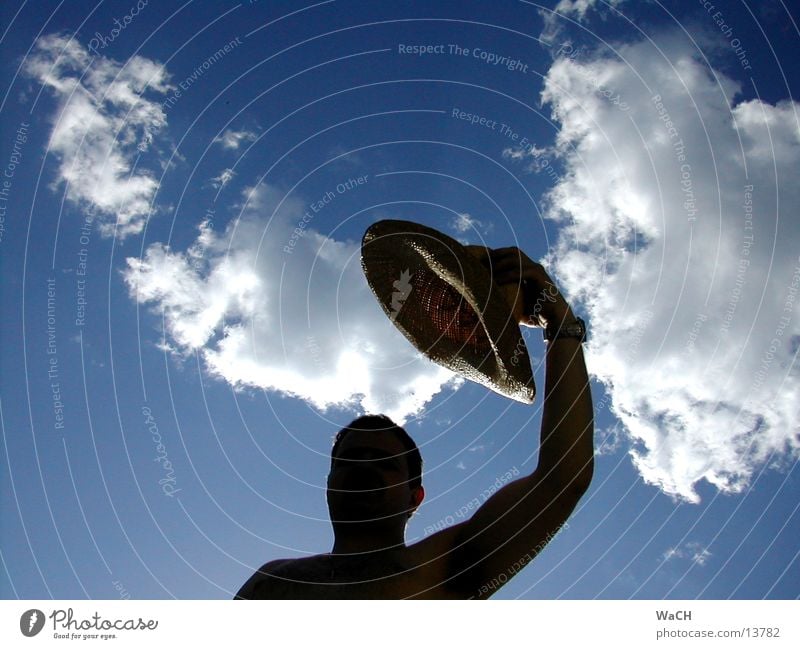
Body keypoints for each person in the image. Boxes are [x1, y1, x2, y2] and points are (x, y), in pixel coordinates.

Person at [235, 248, 593, 599]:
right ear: (328, 483)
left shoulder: (442, 568)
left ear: (415, 497)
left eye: (385, 464)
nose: (363, 468)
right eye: (348, 461)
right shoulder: (272, 581)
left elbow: (562, 479)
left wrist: (561, 324)